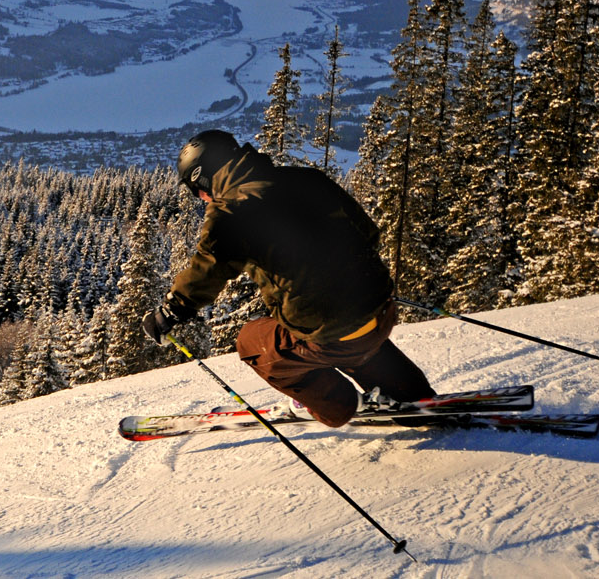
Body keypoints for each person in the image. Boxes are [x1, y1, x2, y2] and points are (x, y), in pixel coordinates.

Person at [143, 129, 435, 427]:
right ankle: (409, 393)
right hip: (380, 309)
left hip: (330, 334)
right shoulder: (306, 179)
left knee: (252, 341)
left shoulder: (230, 212)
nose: (202, 199)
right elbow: (368, 232)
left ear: (203, 178)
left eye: (197, 191)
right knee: (345, 327)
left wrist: (171, 310)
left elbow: (208, 268)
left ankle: (337, 405)